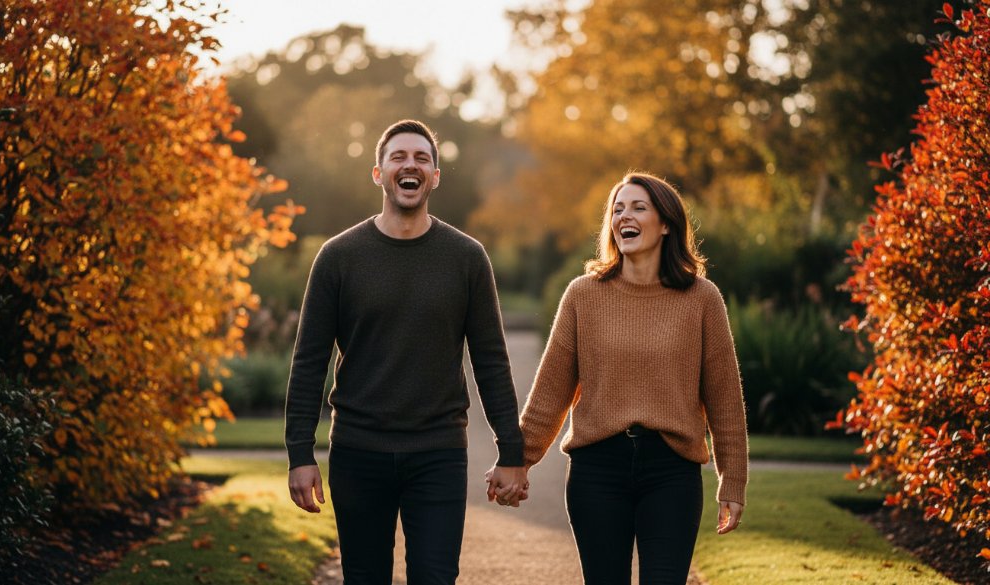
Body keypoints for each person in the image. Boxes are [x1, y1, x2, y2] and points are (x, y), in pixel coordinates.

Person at [284, 119, 528, 585]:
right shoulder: (339, 257)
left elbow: (491, 360)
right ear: (378, 173)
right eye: (398, 157)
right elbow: (309, 361)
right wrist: (300, 453)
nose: (409, 165)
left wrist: (511, 450)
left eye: (421, 158)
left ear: (435, 176)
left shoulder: (467, 257)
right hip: (359, 451)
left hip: (438, 451)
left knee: (436, 577)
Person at [518, 172, 749, 585]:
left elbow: (725, 399)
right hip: (597, 471)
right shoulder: (582, 295)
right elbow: (550, 393)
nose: (625, 215)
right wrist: (516, 461)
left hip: (671, 471)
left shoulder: (702, 298)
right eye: (618, 209)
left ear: (666, 225)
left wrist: (732, 479)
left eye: (639, 207)